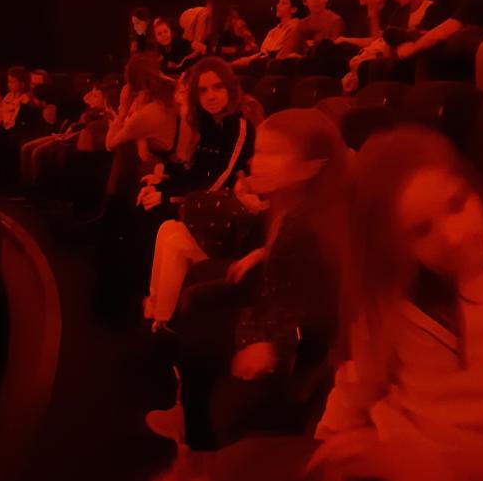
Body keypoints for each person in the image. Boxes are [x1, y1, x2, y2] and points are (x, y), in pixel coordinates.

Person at [115, 126, 483, 481]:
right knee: (255, 478)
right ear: (390, 243)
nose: (456, 236)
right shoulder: (391, 291)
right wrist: (331, 445)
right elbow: (361, 376)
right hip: (383, 469)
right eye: (420, 230)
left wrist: (452, 475)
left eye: (458, 203)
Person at [147, 108, 349, 450]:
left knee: (203, 323)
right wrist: (262, 253)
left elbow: (317, 308)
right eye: (258, 151)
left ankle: (201, 442)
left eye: (272, 153)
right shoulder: (293, 203)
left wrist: (266, 344)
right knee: (198, 303)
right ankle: (189, 419)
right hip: (274, 308)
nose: (256, 162)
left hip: (292, 343)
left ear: (311, 167)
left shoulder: (314, 224)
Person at [140, 59, 257, 328]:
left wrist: (168, 198)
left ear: (230, 89)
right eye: (203, 90)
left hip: (226, 215)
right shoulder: (208, 124)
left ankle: (163, 319)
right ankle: (156, 307)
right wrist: (162, 183)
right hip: (206, 207)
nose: (211, 96)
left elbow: (221, 178)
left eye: (217, 87)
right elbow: (196, 171)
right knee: (161, 222)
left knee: (165, 227)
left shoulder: (238, 124)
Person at [105, 53, 178, 162]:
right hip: (163, 149)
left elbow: (110, 144)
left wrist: (123, 110)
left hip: (157, 162)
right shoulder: (171, 94)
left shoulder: (148, 113)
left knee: (122, 149)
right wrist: (141, 139)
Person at [233, 0, 300, 71]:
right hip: (262, 61)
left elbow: (279, 52)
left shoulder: (295, 27)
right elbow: (262, 52)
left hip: (273, 64)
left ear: (293, 9)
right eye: (279, 2)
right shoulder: (273, 31)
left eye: (283, 3)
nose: (278, 6)